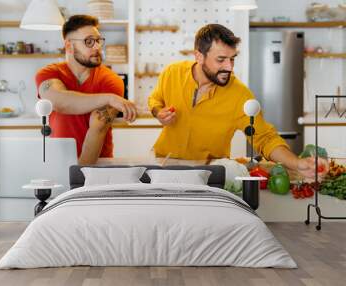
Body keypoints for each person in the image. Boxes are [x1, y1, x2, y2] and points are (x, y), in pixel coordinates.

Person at [148, 23, 327, 179]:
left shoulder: (239, 94)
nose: (229, 67)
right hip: (163, 164)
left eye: (232, 59)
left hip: (209, 172)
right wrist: (158, 112)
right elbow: (155, 99)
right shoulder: (172, 73)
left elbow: (265, 138)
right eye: (221, 60)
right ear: (199, 56)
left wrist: (296, 163)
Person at [35, 15, 137, 164]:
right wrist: (109, 98)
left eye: (98, 40)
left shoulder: (111, 80)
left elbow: (98, 128)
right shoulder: (48, 74)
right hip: (57, 161)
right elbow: (58, 101)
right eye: (89, 41)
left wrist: (81, 174)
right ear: (69, 46)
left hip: (98, 165)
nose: (97, 47)